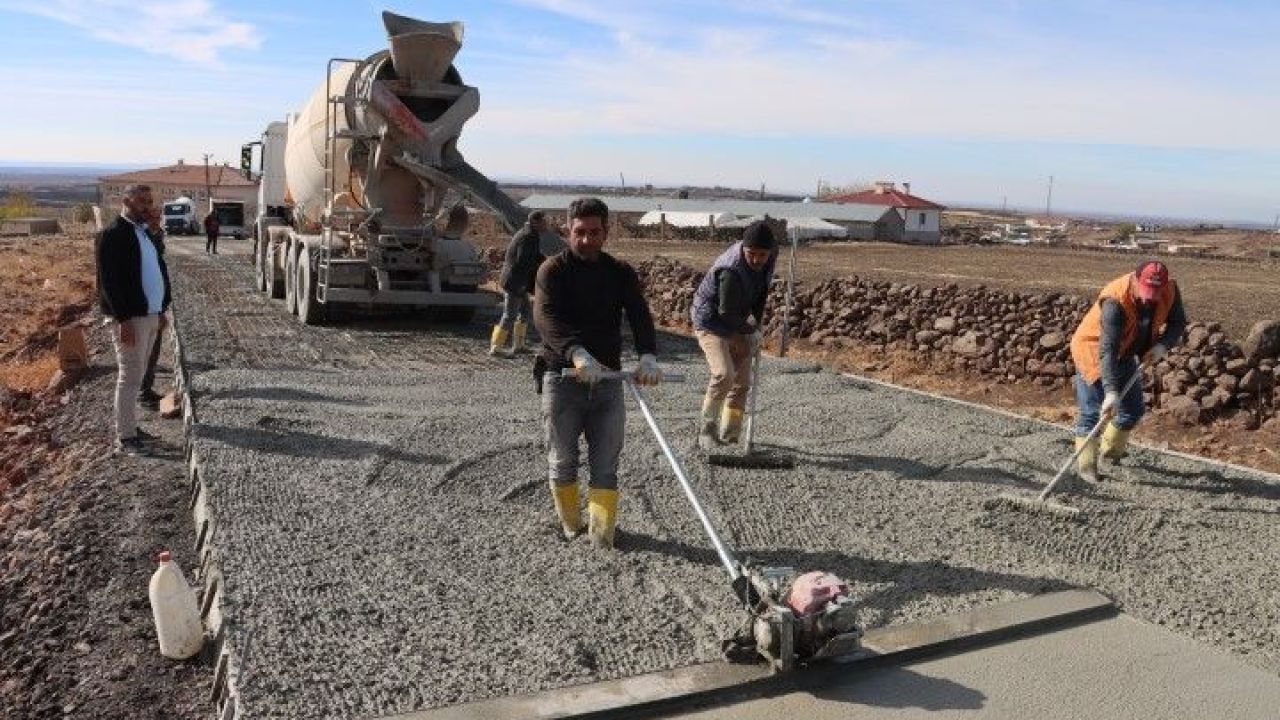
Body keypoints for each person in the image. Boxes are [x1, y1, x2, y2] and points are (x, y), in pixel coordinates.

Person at [533, 197, 663, 549]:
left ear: (606, 232)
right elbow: (546, 318)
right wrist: (576, 353)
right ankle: (571, 527)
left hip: (607, 381)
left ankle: (601, 536)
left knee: (606, 463)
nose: (587, 239)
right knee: (563, 460)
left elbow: (639, 315)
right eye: (579, 232)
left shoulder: (619, 273)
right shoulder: (552, 271)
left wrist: (648, 355)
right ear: (568, 231)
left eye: (594, 232)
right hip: (563, 378)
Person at [1068, 260, 1186, 481]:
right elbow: (1108, 351)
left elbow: (1178, 323)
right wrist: (1111, 392)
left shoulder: (1170, 290)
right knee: (1093, 413)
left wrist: (1162, 346)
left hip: (1125, 351)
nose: (1149, 298)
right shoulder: (1115, 301)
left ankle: (1110, 453)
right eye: (1146, 291)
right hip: (1094, 351)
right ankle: (1087, 467)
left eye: (1155, 293)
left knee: (1133, 409)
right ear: (1135, 280)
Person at [96, 184, 173, 456]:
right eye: (142, 201)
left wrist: (160, 310)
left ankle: (131, 428)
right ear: (126, 201)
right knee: (129, 377)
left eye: (149, 201)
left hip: (150, 315)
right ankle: (126, 438)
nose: (147, 206)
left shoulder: (143, 233)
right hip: (131, 318)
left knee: (138, 376)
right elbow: (109, 282)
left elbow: (156, 270)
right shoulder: (112, 235)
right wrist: (123, 319)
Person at [690, 220, 778, 450]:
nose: (756, 259)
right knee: (724, 374)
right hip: (711, 321)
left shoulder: (769, 256)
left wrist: (756, 324)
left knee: (741, 382)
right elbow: (725, 312)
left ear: (770, 251)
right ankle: (706, 430)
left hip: (737, 319)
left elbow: (761, 292)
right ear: (743, 249)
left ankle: (730, 435)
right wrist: (749, 330)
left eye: (762, 254)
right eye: (752, 254)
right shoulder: (730, 270)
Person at [491, 210, 550, 356]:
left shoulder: (530, 233)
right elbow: (523, 260)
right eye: (544, 221)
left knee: (524, 312)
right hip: (515, 281)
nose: (546, 224)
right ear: (535, 222)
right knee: (509, 315)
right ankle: (496, 347)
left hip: (518, 281)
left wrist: (547, 261)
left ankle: (519, 345)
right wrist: (525, 282)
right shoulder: (528, 236)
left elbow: (533, 255)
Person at [139, 206, 169, 410]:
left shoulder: (155, 237)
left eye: (159, 218)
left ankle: (146, 389)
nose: (157, 221)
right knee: (145, 353)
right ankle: (143, 393)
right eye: (153, 218)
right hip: (146, 307)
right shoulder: (143, 239)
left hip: (157, 306)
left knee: (153, 352)